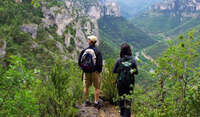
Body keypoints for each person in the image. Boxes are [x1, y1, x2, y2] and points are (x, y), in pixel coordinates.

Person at [113, 43, 138, 117]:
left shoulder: (119, 60)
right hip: (130, 83)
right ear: (129, 50)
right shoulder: (133, 60)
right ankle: (127, 115)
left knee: (121, 97)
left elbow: (114, 71)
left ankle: (122, 113)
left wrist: (121, 70)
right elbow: (136, 72)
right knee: (128, 100)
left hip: (120, 82)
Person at [78, 35, 103, 109]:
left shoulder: (84, 50)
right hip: (95, 72)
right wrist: (98, 71)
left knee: (86, 87)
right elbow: (100, 64)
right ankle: (96, 102)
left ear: (90, 42)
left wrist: (83, 69)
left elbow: (79, 62)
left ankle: (87, 101)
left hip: (86, 72)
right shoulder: (97, 51)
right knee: (97, 87)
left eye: (88, 40)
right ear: (95, 42)